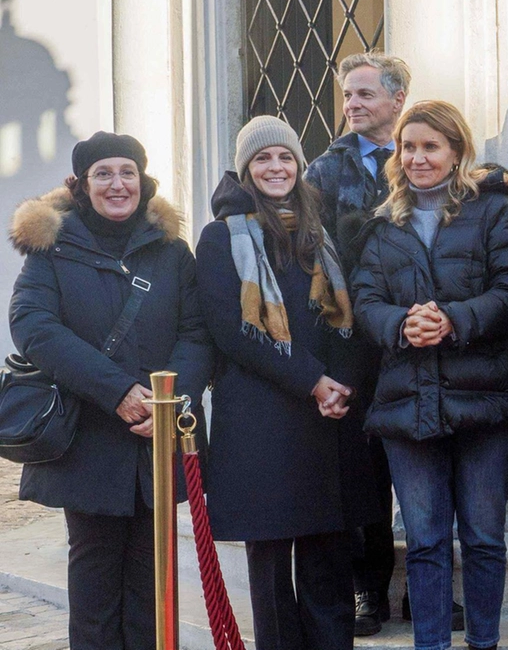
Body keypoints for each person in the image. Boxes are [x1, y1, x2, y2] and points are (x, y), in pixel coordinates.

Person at [9, 131, 212, 650]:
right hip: (89, 439)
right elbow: (33, 324)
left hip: (156, 441)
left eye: (127, 173)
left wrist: (168, 404)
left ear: (142, 181)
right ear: (81, 185)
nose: (117, 184)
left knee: (153, 583)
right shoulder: (53, 247)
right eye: (103, 174)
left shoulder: (172, 252)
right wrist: (118, 390)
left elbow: (196, 333)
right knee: (96, 587)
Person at [350, 100, 508, 650]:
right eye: (409, 147)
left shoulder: (495, 213)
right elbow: (364, 300)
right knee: (426, 541)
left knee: (482, 538)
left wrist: (452, 320)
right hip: (409, 403)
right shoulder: (382, 225)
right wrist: (401, 323)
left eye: (431, 146)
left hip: (486, 402)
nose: (417, 157)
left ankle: (483, 643)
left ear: (457, 152)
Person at [196, 116, 376, 650]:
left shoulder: (324, 230)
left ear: (299, 165)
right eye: (262, 159)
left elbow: (350, 316)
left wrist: (341, 383)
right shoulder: (220, 237)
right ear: (246, 169)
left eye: (284, 158)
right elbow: (233, 330)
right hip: (262, 420)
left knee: (328, 560)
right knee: (271, 569)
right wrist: (313, 381)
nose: (275, 168)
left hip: (328, 420)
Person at [303, 51, 412, 636]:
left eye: (365, 94)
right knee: (362, 471)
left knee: (424, 465)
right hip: (352, 344)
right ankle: (368, 590)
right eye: (347, 96)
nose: (352, 105)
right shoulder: (323, 169)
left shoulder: (425, 153)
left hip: (419, 339)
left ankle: (426, 589)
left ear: (397, 99)